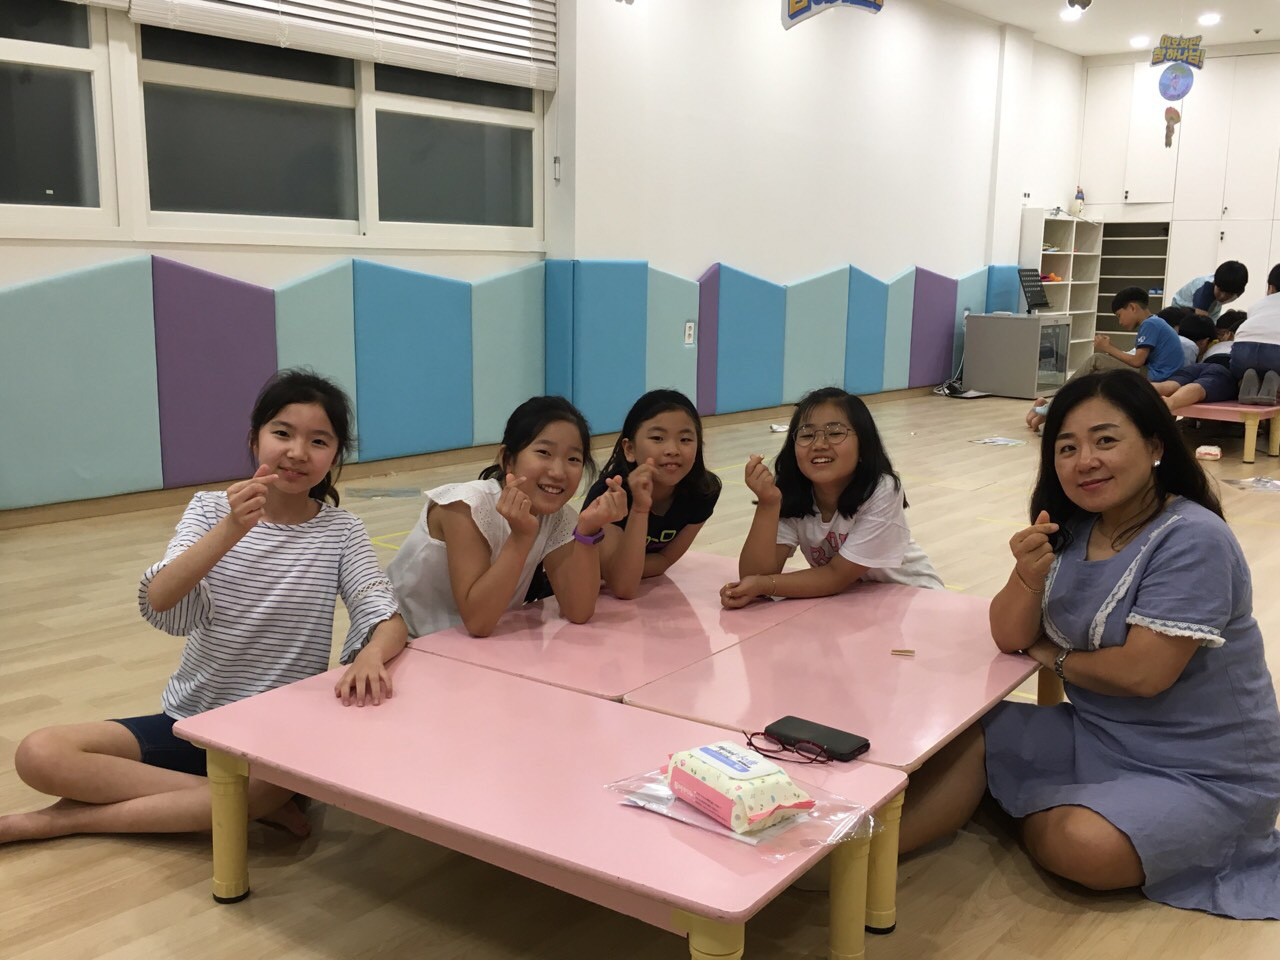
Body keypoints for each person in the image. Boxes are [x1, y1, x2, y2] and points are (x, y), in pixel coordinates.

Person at [899, 370, 1280, 919]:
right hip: (1096, 734)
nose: (1085, 461)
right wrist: (1026, 575)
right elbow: (1009, 635)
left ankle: (1012, 802)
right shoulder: (1075, 528)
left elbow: (1142, 674)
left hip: (1204, 773)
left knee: (1083, 846)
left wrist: (1053, 656)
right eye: (1067, 447)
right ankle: (850, 861)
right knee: (964, 731)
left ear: (1154, 446)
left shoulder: (1194, 538)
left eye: (1105, 440)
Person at [1, 370, 407, 844]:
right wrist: (233, 527)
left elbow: (385, 615)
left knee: (265, 787)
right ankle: (238, 805)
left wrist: (371, 654)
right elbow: (161, 600)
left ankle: (61, 822)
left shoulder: (341, 531)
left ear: (334, 456)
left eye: (318, 441)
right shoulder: (211, 509)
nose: (298, 452)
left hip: (277, 739)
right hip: (193, 718)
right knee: (40, 752)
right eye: (282, 433)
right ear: (254, 439)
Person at [388, 396, 627, 638]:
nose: (558, 472)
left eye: (573, 459)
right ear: (508, 459)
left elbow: (579, 611)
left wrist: (587, 532)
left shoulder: (558, 517)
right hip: (400, 641)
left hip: (465, 646)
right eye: (544, 452)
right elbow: (478, 622)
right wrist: (522, 537)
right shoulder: (465, 505)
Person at [722, 386, 941, 608]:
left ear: (864, 445)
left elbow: (837, 576)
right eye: (807, 435)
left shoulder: (881, 489)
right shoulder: (795, 495)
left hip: (916, 602)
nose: (819, 444)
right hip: (853, 605)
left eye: (835, 433)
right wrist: (768, 504)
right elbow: (754, 576)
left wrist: (765, 585)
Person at [582, 389, 722, 599]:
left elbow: (665, 560)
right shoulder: (610, 493)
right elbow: (623, 586)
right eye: (658, 438)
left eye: (685, 439)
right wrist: (639, 509)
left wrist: (621, 569)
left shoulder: (703, 492)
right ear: (629, 449)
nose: (672, 449)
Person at [1026, 288, 1183, 430]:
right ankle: (1054, 410)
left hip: (1156, 377)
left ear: (1132, 307)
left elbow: (1137, 361)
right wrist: (1110, 350)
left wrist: (1108, 348)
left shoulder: (1150, 325)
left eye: (1119, 316)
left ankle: (1057, 403)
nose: (1120, 322)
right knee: (1099, 369)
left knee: (1097, 360)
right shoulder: (1156, 323)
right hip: (1157, 374)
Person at [1231, 264, 1280, 404]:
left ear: (1271, 287)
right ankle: (1275, 382)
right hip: (1276, 354)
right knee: (1274, 369)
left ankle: (1246, 381)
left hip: (1243, 350)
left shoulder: (1257, 304)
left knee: (1245, 369)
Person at [1170, 260, 1248, 321]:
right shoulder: (1205, 291)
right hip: (1182, 308)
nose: (1222, 296)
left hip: (1212, 307)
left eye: (1229, 294)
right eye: (1220, 290)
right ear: (1215, 283)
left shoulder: (1238, 290)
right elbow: (1200, 322)